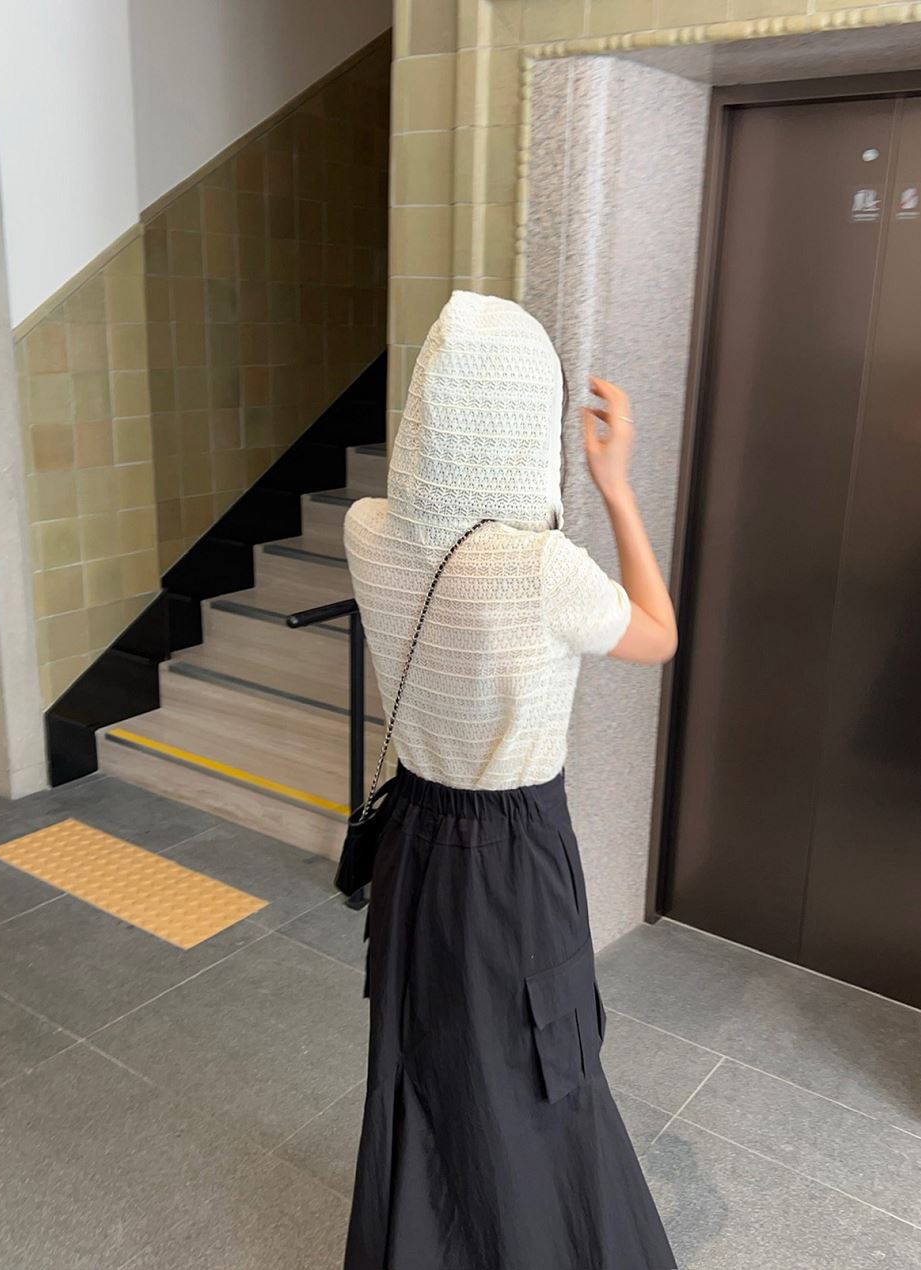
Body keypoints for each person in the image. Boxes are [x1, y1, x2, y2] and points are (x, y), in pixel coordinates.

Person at [342, 291, 678, 1269]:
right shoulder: (540, 567)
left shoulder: (367, 529)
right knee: (541, 1067)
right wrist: (613, 484)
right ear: (526, 422)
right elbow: (657, 634)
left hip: (413, 840)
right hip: (514, 853)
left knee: (425, 1059)